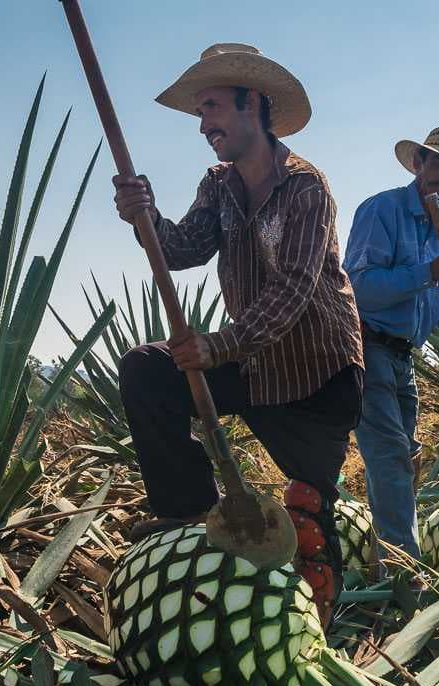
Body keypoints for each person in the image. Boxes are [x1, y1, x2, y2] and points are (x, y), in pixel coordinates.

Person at [112, 43, 364, 624]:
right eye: (199, 113)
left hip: (316, 372)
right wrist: (143, 217)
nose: (204, 125)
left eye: (213, 108)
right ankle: (193, 520)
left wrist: (218, 345)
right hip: (255, 366)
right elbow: (182, 250)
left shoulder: (306, 187)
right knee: (149, 371)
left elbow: (296, 288)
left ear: (254, 104)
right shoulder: (219, 185)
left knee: (309, 521)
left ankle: (322, 626)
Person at [341, 122, 439, 566]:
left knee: (404, 456)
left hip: (404, 358)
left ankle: (387, 552)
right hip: (366, 349)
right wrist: (428, 273)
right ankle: (403, 570)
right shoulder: (381, 211)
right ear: (417, 162)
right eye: (438, 163)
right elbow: (359, 287)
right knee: (390, 455)